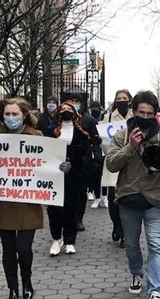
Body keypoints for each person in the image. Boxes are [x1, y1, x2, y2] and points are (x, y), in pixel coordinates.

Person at [0, 98, 70, 299]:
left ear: (24, 115)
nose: (11, 118)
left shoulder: (37, 136)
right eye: (8, 114)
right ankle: (12, 289)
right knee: (8, 250)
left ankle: (27, 281)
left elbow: (47, 163)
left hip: (27, 202)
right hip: (3, 201)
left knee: (24, 249)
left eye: (15, 114)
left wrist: (61, 167)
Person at [106, 90, 160, 299]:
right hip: (129, 198)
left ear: (156, 114)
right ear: (134, 111)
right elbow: (111, 164)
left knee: (156, 245)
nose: (146, 117)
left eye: (150, 113)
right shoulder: (122, 136)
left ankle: (154, 291)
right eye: (141, 112)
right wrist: (131, 147)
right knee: (131, 245)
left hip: (155, 199)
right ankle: (136, 273)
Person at [47, 101, 101, 256]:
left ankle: (70, 240)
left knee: (72, 208)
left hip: (75, 175)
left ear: (75, 113)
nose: (65, 112)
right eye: (62, 109)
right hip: (54, 175)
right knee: (54, 208)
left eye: (68, 110)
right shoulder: (51, 131)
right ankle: (57, 239)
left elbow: (85, 151)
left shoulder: (82, 133)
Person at [66, 93, 102, 231]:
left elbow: (96, 141)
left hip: (83, 161)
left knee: (81, 192)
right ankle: (68, 218)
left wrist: (97, 159)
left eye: (77, 101)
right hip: (65, 161)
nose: (74, 103)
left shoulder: (89, 120)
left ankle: (79, 218)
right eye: (71, 101)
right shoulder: (62, 118)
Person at [103, 90, 134, 247]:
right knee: (112, 199)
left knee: (126, 199)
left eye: (125, 98)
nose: (122, 100)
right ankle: (116, 224)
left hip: (131, 162)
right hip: (114, 162)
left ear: (130, 100)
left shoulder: (135, 116)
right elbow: (103, 142)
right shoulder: (108, 117)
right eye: (119, 98)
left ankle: (124, 233)